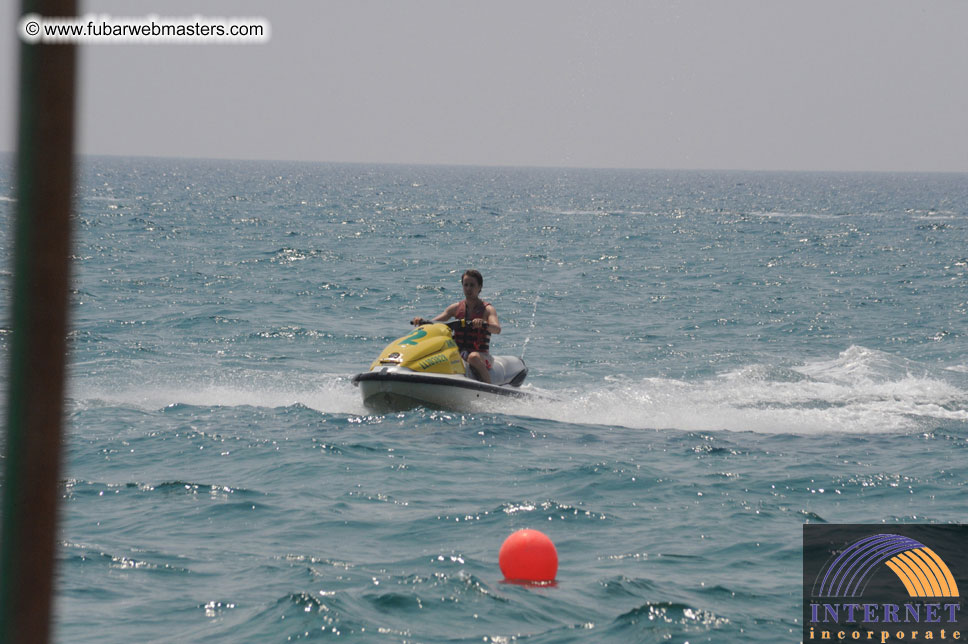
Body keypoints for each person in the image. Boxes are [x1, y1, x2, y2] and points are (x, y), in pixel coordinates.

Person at [411, 269, 501, 383]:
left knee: (473, 357)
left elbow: (497, 329)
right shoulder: (455, 308)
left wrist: (483, 324)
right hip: (459, 352)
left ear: (480, 287)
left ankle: (489, 388)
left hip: (481, 356)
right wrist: (422, 322)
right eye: (466, 285)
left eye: (472, 285)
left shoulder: (487, 309)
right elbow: (435, 323)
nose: (468, 288)